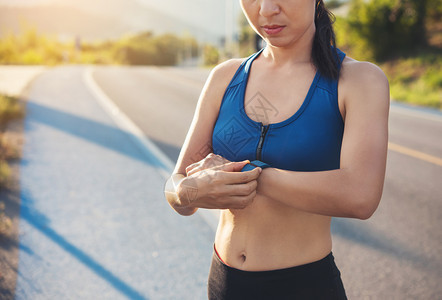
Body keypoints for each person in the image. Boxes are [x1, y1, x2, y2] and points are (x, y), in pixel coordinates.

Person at [164, 0, 389, 299]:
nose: (266, 9)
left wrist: (246, 175)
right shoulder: (226, 76)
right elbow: (177, 185)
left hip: (303, 286)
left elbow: (361, 197)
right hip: (224, 282)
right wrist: (187, 191)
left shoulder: (358, 80)